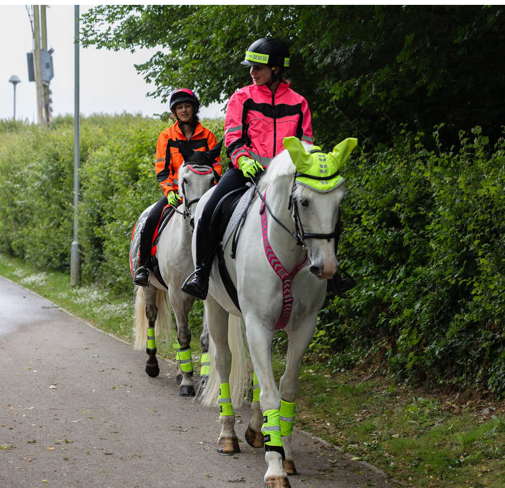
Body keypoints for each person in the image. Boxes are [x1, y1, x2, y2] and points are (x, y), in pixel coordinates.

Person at [182, 37, 354, 300]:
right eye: (251, 68)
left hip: (286, 178)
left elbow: (306, 144)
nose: (252, 72)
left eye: (258, 68)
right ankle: (201, 273)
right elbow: (233, 138)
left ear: (276, 69)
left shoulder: (299, 102)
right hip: (246, 172)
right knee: (210, 209)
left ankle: (332, 275)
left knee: (323, 210)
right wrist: (243, 160)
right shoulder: (241, 97)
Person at [133, 88, 222, 286]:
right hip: (177, 195)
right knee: (152, 220)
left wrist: (211, 192)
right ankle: (144, 266)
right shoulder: (166, 137)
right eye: (179, 107)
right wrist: (170, 192)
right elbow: (162, 169)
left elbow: (216, 168)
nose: (184, 110)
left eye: (187, 106)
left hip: (203, 195)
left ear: (194, 108)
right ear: (174, 112)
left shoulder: (208, 136)